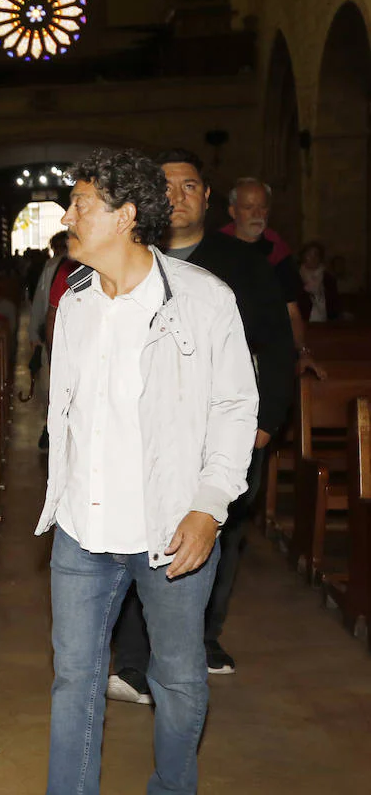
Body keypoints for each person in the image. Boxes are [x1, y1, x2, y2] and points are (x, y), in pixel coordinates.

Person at [36, 148, 257, 795]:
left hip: (170, 528)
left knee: (179, 679)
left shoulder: (202, 299)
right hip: (83, 526)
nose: (68, 215)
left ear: (126, 216)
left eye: (81, 204)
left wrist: (209, 504)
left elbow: (236, 407)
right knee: (74, 678)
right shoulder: (73, 301)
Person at [104, 149, 296, 705]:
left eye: (191, 186)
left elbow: (277, 349)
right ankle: (137, 661)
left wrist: (266, 422)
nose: (179, 196)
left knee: (222, 532)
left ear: (208, 198)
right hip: (153, 427)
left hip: (226, 426)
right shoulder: (134, 261)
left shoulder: (243, 263)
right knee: (144, 536)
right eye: (168, 187)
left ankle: (202, 638)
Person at [221, 178, 325, 377]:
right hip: (224, 354)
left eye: (262, 207)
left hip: (269, 353)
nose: (257, 214)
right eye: (248, 207)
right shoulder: (215, 248)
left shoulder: (277, 250)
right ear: (233, 211)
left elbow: (291, 310)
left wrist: (303, 351)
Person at [297, 241, 341, 322]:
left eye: (316, 255)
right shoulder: (296, 278)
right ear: (303, 256)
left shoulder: (328, 279)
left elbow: (334, 304)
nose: (313, 258)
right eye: (309, 254)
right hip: (302, 322)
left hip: (325, 322)